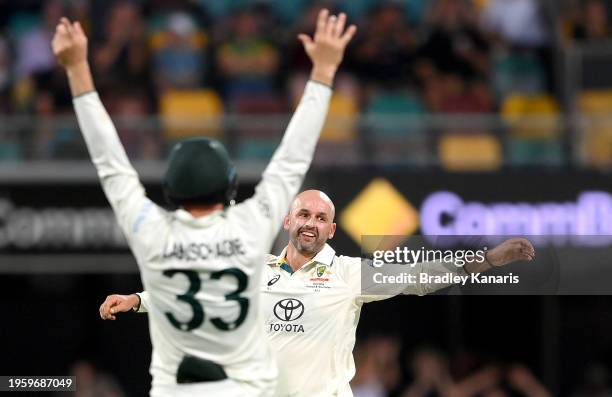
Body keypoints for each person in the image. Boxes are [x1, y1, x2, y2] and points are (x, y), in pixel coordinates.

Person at [53, 9, 356, 397]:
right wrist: (324, 71)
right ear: (230, 189)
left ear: (171, 191)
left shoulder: (152, 231)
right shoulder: (250, 225)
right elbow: (294, 155)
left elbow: (109, 162)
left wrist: (77, 68)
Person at [101, 190, 535, 397]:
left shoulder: (349, 274)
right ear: (289, 222)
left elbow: (421, 275)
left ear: (330, 229)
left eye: (320, 217)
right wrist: (139, 301)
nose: (311, 222)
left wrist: (489, 260)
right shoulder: (255, 272)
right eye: (304, 213)